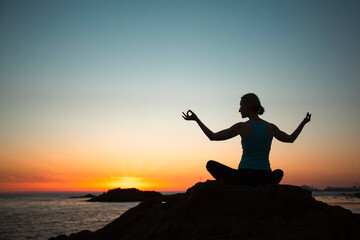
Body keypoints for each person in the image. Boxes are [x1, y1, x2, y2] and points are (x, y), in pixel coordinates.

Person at [182, 93, 311, 186]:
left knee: (210, 164)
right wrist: (303, 122)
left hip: (244, 177)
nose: (239, 110)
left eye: (240, 105)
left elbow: (212, 136)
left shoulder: (242, 127)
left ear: (248, 106)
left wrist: (196, 119)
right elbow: (291, 139)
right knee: (279, 172)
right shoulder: (271, 127)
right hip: (265, 177)